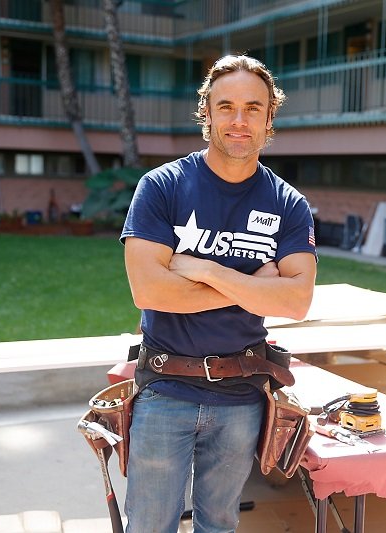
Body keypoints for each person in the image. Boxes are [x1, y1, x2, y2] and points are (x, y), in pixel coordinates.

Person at [120, 54, 317, 533]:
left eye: (253, 108)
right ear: (206, 112)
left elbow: (296, 302)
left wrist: (205, 270)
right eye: (226, 106)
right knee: (149, 526)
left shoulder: (288, 203)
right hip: (166, 388)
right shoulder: (162, 187)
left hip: (241, 395)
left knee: (220, 525)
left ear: (270, 117)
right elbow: (148, 290)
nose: (238, 120)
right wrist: (255, 286)